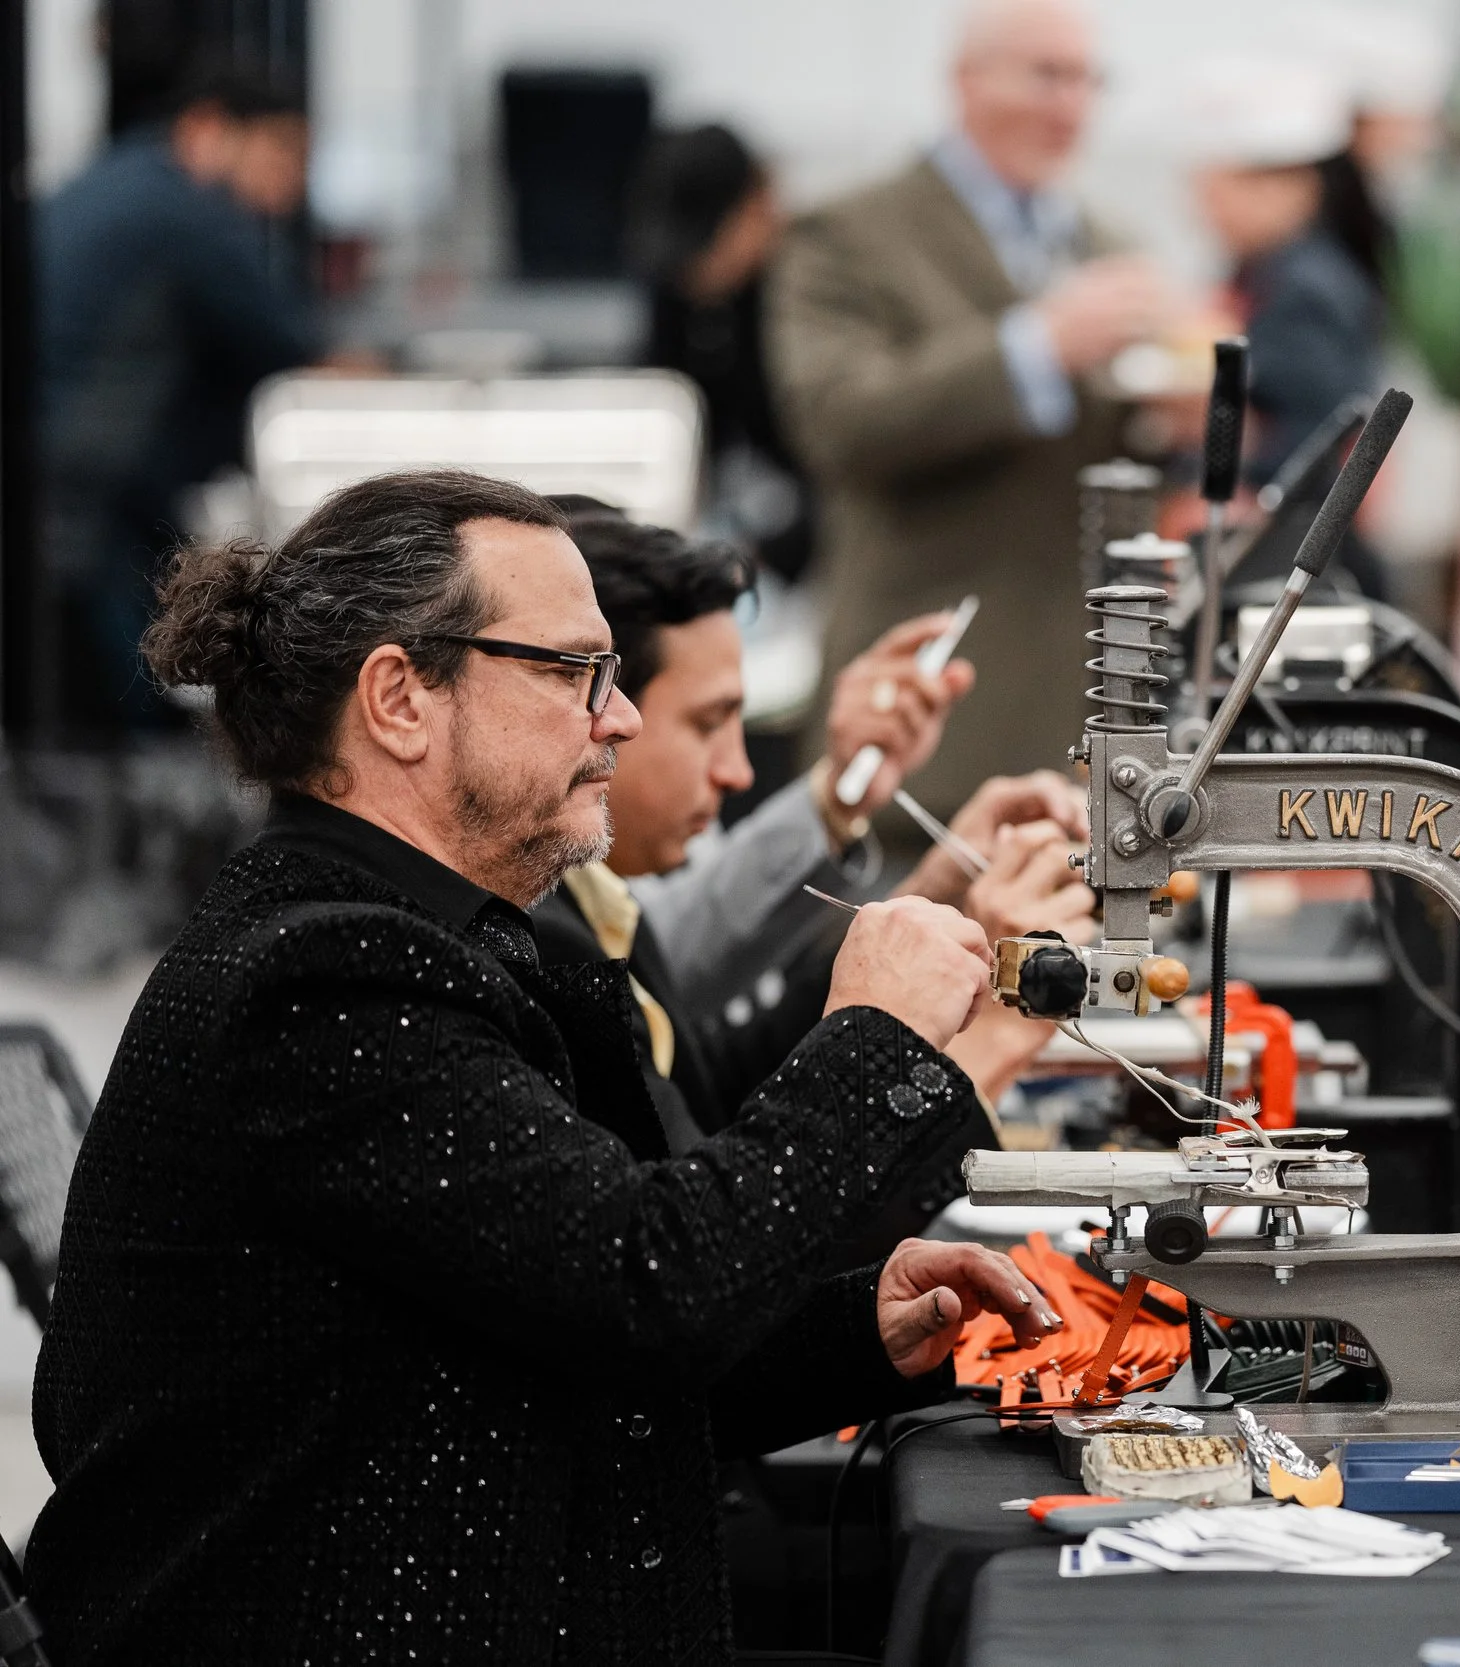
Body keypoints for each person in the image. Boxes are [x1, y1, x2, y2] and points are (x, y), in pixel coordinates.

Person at [22, 470, 1059, 1661]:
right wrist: (876, 1035)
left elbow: (580, 1338)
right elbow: (651, 1281)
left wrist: (859, 1330)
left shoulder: (405, 941)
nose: (618, 718)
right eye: (577, 673)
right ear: (402, 698)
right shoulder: (322, 978)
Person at [537, 504, 1092, 1146]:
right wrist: (995, 1033)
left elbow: (722, 1080)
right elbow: (713, 1222)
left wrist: (936, 904)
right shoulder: (546, 936)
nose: (738, 772)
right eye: (707, 723)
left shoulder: (592, 902)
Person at [767, 0, 1170, 821]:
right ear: (966, 80)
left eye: (1087, 80)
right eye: (1046, 75)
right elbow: (838, 420)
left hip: (1082, 700)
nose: (1071, 105)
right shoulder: (849, 231)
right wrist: (1035, 348)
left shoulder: (1110, 239)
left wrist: (1182, 418)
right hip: (929, 702)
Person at [38, 66, 325, 737]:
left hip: (63, 484)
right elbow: (283, 341)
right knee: (141, 702)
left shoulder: (105, 184)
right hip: (93, 498)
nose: (290, 187)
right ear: (208, 128)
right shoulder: (185, 213)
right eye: (283, 152)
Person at [1187, 60, 1392, 596]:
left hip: (1300, 563)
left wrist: (1203, 437)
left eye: (1226, 184)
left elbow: (1315, 446)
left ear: (1293, 189)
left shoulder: (1307, 291)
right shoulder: (1265, 273)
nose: (1205, 204)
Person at [626, 125, 814, 581]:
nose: (697, 269)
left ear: (760, 204)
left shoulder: (810, 293)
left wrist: (779, 551)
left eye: (709, 244)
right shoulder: (674, 290)